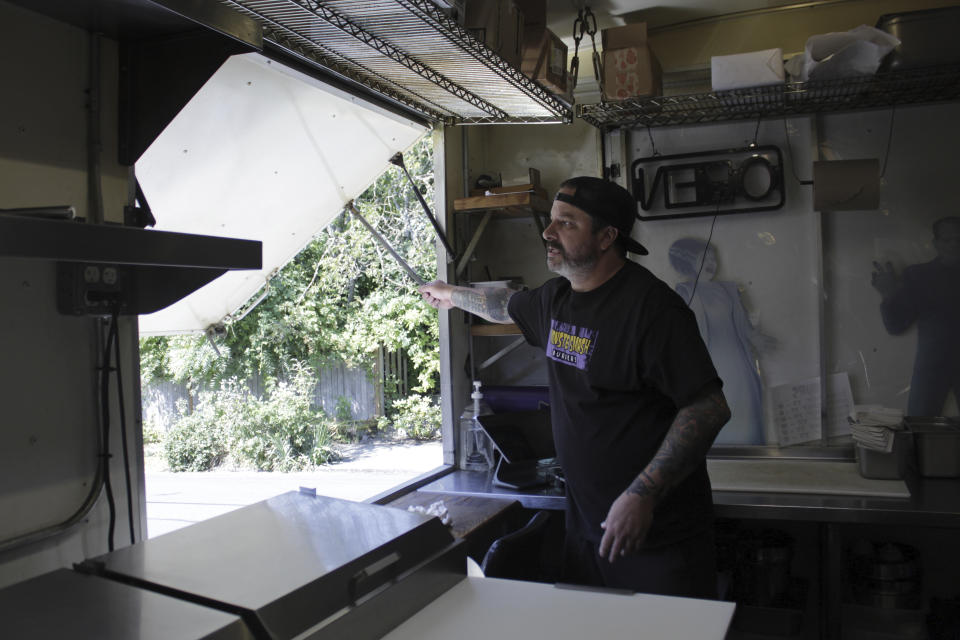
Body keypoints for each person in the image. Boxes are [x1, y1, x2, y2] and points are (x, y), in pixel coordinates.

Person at [420, 176, 730, 598]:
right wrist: (451, 294)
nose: (548, 233)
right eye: (551, 222)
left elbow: (707, 408)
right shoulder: (555, 300)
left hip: (656, 536)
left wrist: (642, 494)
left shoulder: (653, 311)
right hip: (585, 530)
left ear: (606, 237)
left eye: (566, 223)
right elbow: (503, 304)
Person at [669, 238, 767, 445]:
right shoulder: (684, 293)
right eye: (703, 258)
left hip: (740, 365)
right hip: (711, 367)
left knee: (746, 418)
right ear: (686, 261)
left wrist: (760, 340)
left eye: (713, 257)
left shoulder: (729, 290)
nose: (711, 262)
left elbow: (744, 327)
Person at [871, 217, 960, 416]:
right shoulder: (920, 276)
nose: (954, 245)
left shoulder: (919, 275)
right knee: (920, 428)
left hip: (931, 363)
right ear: (936, 243)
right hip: (933, 365)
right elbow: (896, 325)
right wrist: (888, 295)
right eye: (947, 240)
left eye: (959, 239)